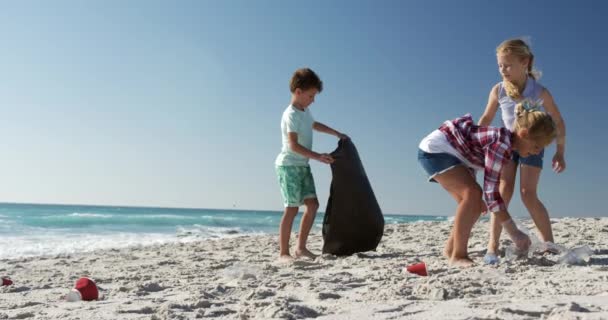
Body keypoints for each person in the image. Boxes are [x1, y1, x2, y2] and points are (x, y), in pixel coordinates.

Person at [418, 101, 557, 267]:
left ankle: (450, 250)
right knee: (473, 195)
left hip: (453, 155)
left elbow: (470, 156)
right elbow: (491, 192)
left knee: (474, 203)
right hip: (436, 150)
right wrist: (514, 232)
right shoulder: (501, 145)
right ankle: (459, 255)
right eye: (536, 146)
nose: (536, 152)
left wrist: (477, 202)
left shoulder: (506, 146)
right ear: (524, 134)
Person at [478, 39, 567, 264]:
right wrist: (477, 143)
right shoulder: (498, 90)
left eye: (507, 65)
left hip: (533, 145)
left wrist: (560, 151)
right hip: (507, 144)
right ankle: (492, 246)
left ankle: (548, 244)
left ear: (524, 62)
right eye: (500, 65)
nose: (503, 70)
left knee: (528, 194)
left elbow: (558, 120)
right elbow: (487, 118)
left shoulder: (539, 91)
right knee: (503, 191)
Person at [275, 67, 347, 261]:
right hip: (289, 166)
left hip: (303, 165)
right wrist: (318, 156)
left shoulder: (305, 111)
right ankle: (283, 252)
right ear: (298, 92)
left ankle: (300, 248)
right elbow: (293, 145)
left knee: (313, 205)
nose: (313, 99)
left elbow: (314, 125)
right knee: (292, 208)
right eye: (311, 95)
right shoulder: (290, 114)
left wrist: (336, 133)